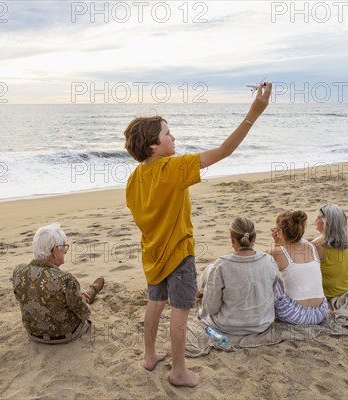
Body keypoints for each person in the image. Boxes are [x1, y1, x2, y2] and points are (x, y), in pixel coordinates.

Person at [124, 82, 272, 387]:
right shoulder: (172, 168)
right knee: (180, 312)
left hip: (152, 253)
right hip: (178, 254)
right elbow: (224, 151)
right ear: (153, 145)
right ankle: (178, 371)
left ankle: (149, 355)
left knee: (155, 302)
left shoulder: (135, 177)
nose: (173, 136)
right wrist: (253, 113)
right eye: (167, 133)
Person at [12, 222, 105, 344]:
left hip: (33, 334)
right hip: (64, 335)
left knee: (64, 297)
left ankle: (83, 294)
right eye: (64, 246)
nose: (65, 251)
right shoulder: (65, 279)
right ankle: (90, 292)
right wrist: (81, 301)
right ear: (55, 251)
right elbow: (84, 314)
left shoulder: (19, 271)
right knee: (81, 301)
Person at [198, 217, 280, 335]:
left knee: (210, 269)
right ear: (255, 237)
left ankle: (198, 293)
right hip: (262, 324)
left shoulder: (221, 265)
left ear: (232, 239)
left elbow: (211, 308)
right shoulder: (269, 260)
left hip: (228, 326)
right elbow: (273, 292)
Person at [270, 211, 327, 325]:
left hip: (295, 315)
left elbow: (271, 274)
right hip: (320, 312)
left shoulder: (277, 252)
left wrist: (277, 243)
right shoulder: (314, 247)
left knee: (273, 280)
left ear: (280, 232)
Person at [311, 204, 348, 299]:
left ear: (326, 223)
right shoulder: (344, 244)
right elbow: (312, 240)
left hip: (327, 295)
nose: (315, 221)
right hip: (342, 291)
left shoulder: (318, 247)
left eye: (318, 218)